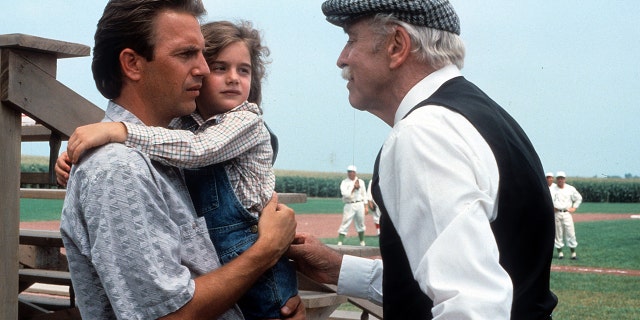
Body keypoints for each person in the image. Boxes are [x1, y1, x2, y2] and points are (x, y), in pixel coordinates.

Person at [288, 0, 558, 319]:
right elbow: (441, 283)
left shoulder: (424, 133)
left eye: (351, 39)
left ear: (397, 45)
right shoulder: (479, 116)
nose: (341, 59)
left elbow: (471, 306)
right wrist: (337, 269)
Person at [58, 1, 304, 319]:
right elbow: (168, 315)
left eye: (203, 54)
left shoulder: (163, 147)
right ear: (132, 64)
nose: (203, 68)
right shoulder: (119, 169)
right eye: (186, 54)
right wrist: (267, 249)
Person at [551, 171, 583, 260]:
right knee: (558, 234)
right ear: (556, 179)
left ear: (564, 179)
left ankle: (573, 253)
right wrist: (551, 207)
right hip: (557, 214)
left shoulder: (570, 189)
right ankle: (560, 253)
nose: (560, 180)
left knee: (570, 233)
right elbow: (547, 200)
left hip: (566, 213)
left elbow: (578, 198)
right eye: (558, 178)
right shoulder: (552, 189)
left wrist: (574, 207)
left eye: (562, 178)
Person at [336, 165, 368, 246]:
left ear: (355, 173)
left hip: (359, 203)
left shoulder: (361, 182)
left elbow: (364, 194)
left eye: (352, 172)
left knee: (360, 222)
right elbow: (345, 195)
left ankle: (362, 242)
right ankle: (340, 242)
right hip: (349, 204)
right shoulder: (344, 182)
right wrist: (354, 188)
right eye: (349, 172)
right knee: (345, 222)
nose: (350, 173)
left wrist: (366, 206)